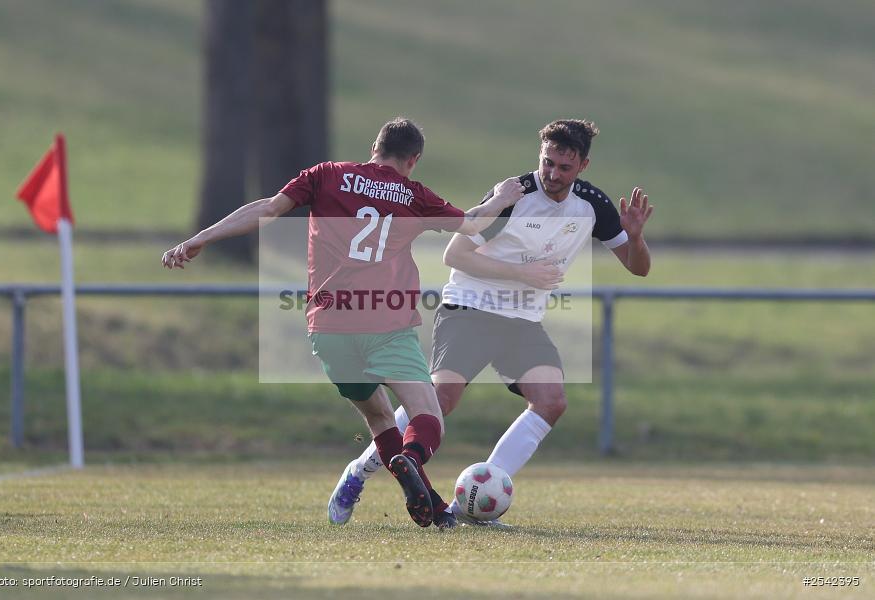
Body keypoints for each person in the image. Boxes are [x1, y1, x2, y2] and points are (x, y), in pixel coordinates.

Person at [162, 117, 524, 528]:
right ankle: (411, 458)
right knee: (427, 417)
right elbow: (474, 223)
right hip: (384, 322)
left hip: (329, 327)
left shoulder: (326, 175)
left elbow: (267, 209)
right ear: (413, 160)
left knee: (379, 418)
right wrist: (501, 197)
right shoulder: (413, 194)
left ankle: (436, 509)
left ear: (375, 148)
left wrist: (201, 238)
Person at [329, 118, 653, 527]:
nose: (552, 174)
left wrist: (635, 238)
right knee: (439, 402)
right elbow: (455, 255)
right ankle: (358, 473)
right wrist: (522, 274)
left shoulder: (592, 206)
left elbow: (638, 268)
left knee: (551, 401)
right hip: (470, 307)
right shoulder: (516, 197)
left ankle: (473, 502)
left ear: (583, 166)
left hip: (522, 321)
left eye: (564, 167)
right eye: (547, 162)